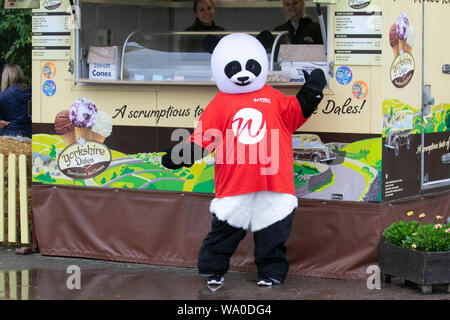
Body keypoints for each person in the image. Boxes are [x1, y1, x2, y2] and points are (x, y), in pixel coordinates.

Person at [0, 64, 31, 138]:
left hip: (8, 135)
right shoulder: (32, 92)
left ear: (5, 77)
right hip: (30, 134)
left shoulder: (3, 95)